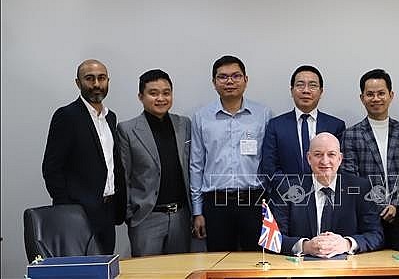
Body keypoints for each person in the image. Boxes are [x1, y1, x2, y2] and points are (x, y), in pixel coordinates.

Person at [42, 59, 126, 254]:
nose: (96, 84)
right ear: (78, 83)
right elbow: (51, 169)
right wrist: (67, 210)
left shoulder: (110, 117)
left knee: (105, 268)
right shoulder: (67, 116)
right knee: (82, 270)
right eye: (89, 79)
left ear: (108, 81)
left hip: (107, 211)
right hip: (78, 213)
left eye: (101, 78)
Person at [189, 55, 272, 251]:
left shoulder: (264, 114)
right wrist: (197, 211)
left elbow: (269, 161)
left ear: (246, 80)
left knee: (257, 262)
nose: (229, 81)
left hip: (254, 202)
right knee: (219, 262)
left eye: (236, 76)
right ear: (214, 82)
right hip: (216, 204)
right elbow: (196, 164)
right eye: (223, 77)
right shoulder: (202, 117)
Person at [272, 132, 383, 257]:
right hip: (301, 270)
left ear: (340, 159)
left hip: (349, 270)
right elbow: (274, 237)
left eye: (331, 154)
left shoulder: (360, 187)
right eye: (318, 155)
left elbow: (375, 234)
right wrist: (305, 246)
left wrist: (346, 244)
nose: (325, 161)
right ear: (309, 158)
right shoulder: (287, 189)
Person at [118, 69, 191, 256]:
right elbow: (123, 174)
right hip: (146, 217)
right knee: (146, 273)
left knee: (180, 272)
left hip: (181, 217)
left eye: (166, 93)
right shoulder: (127, 129)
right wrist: (130, 214)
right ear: (140, 96)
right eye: (153, 93)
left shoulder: (184, 124)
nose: (161, 98)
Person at [340, 68, 399, 223]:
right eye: (370, 94)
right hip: (367, 215)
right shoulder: (351, 135)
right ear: (362, 98)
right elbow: (351, 179)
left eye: (381, 93)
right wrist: (376, 206)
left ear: (391, 95)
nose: (376, 99)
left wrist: (396, 205)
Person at [259, 65, 345, 194]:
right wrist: (292, 190)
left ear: (321, 92)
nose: (306, 90)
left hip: (325, 196)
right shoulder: (276, 125)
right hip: (286, 197)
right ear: (292, 90)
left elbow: (340, 165)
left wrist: (321, 187)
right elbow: (269, 167)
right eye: (300, 85)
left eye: (312, 85)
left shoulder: (335, 126)